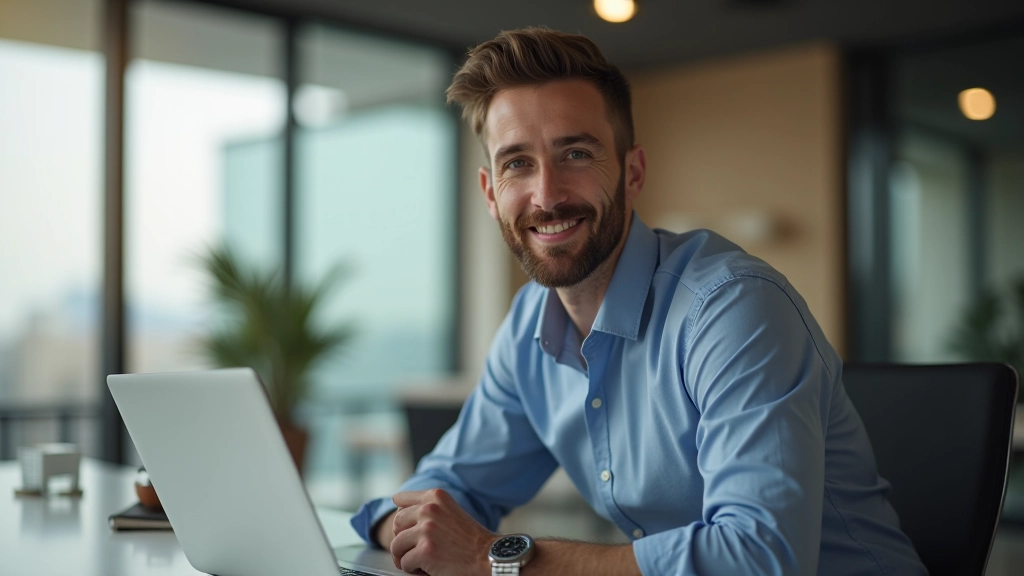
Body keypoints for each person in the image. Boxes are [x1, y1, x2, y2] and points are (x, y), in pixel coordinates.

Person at [351, 27, 927, 576]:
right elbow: (444, 493)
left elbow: (759, 559)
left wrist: (490, 559)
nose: (546, 195)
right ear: (489, 193)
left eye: (576, 153)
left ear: (632, 173)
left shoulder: (733, 310)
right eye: (517, 163)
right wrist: (405, 524)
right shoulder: (532, 321)